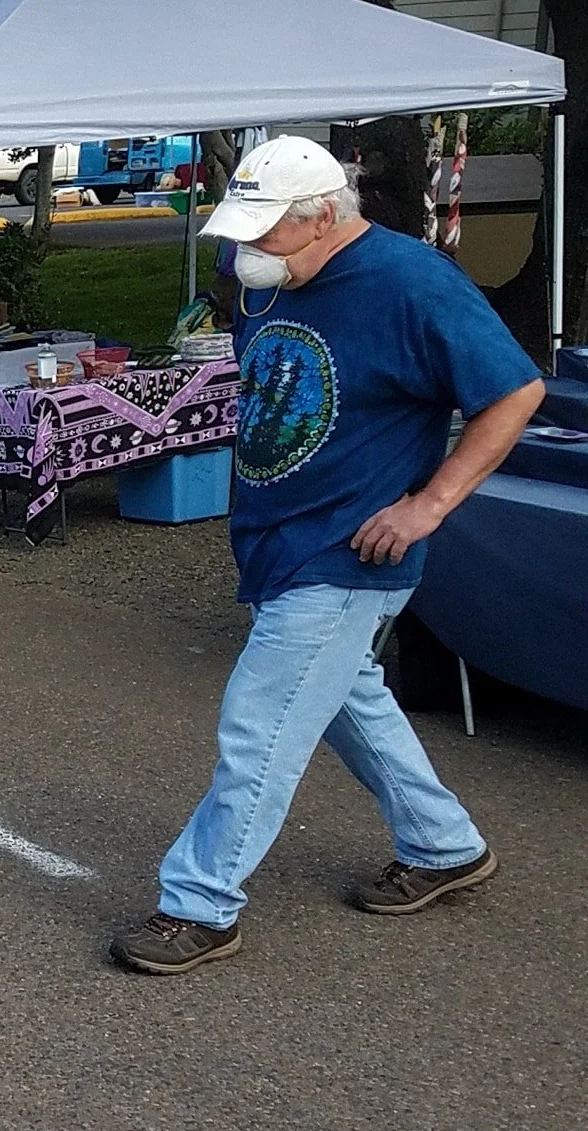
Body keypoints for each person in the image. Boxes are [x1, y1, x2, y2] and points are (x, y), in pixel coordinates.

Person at [109, 136, 545, 976]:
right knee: (350, 700)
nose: (249, 248)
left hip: (348, 554)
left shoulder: (412, 282)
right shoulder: (268, 276)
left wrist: (429, 505)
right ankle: (444, 844)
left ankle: (199, 903)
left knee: (259, 723)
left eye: (266, 230)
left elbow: (515, 390)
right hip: (280, 541)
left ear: (322, 217)